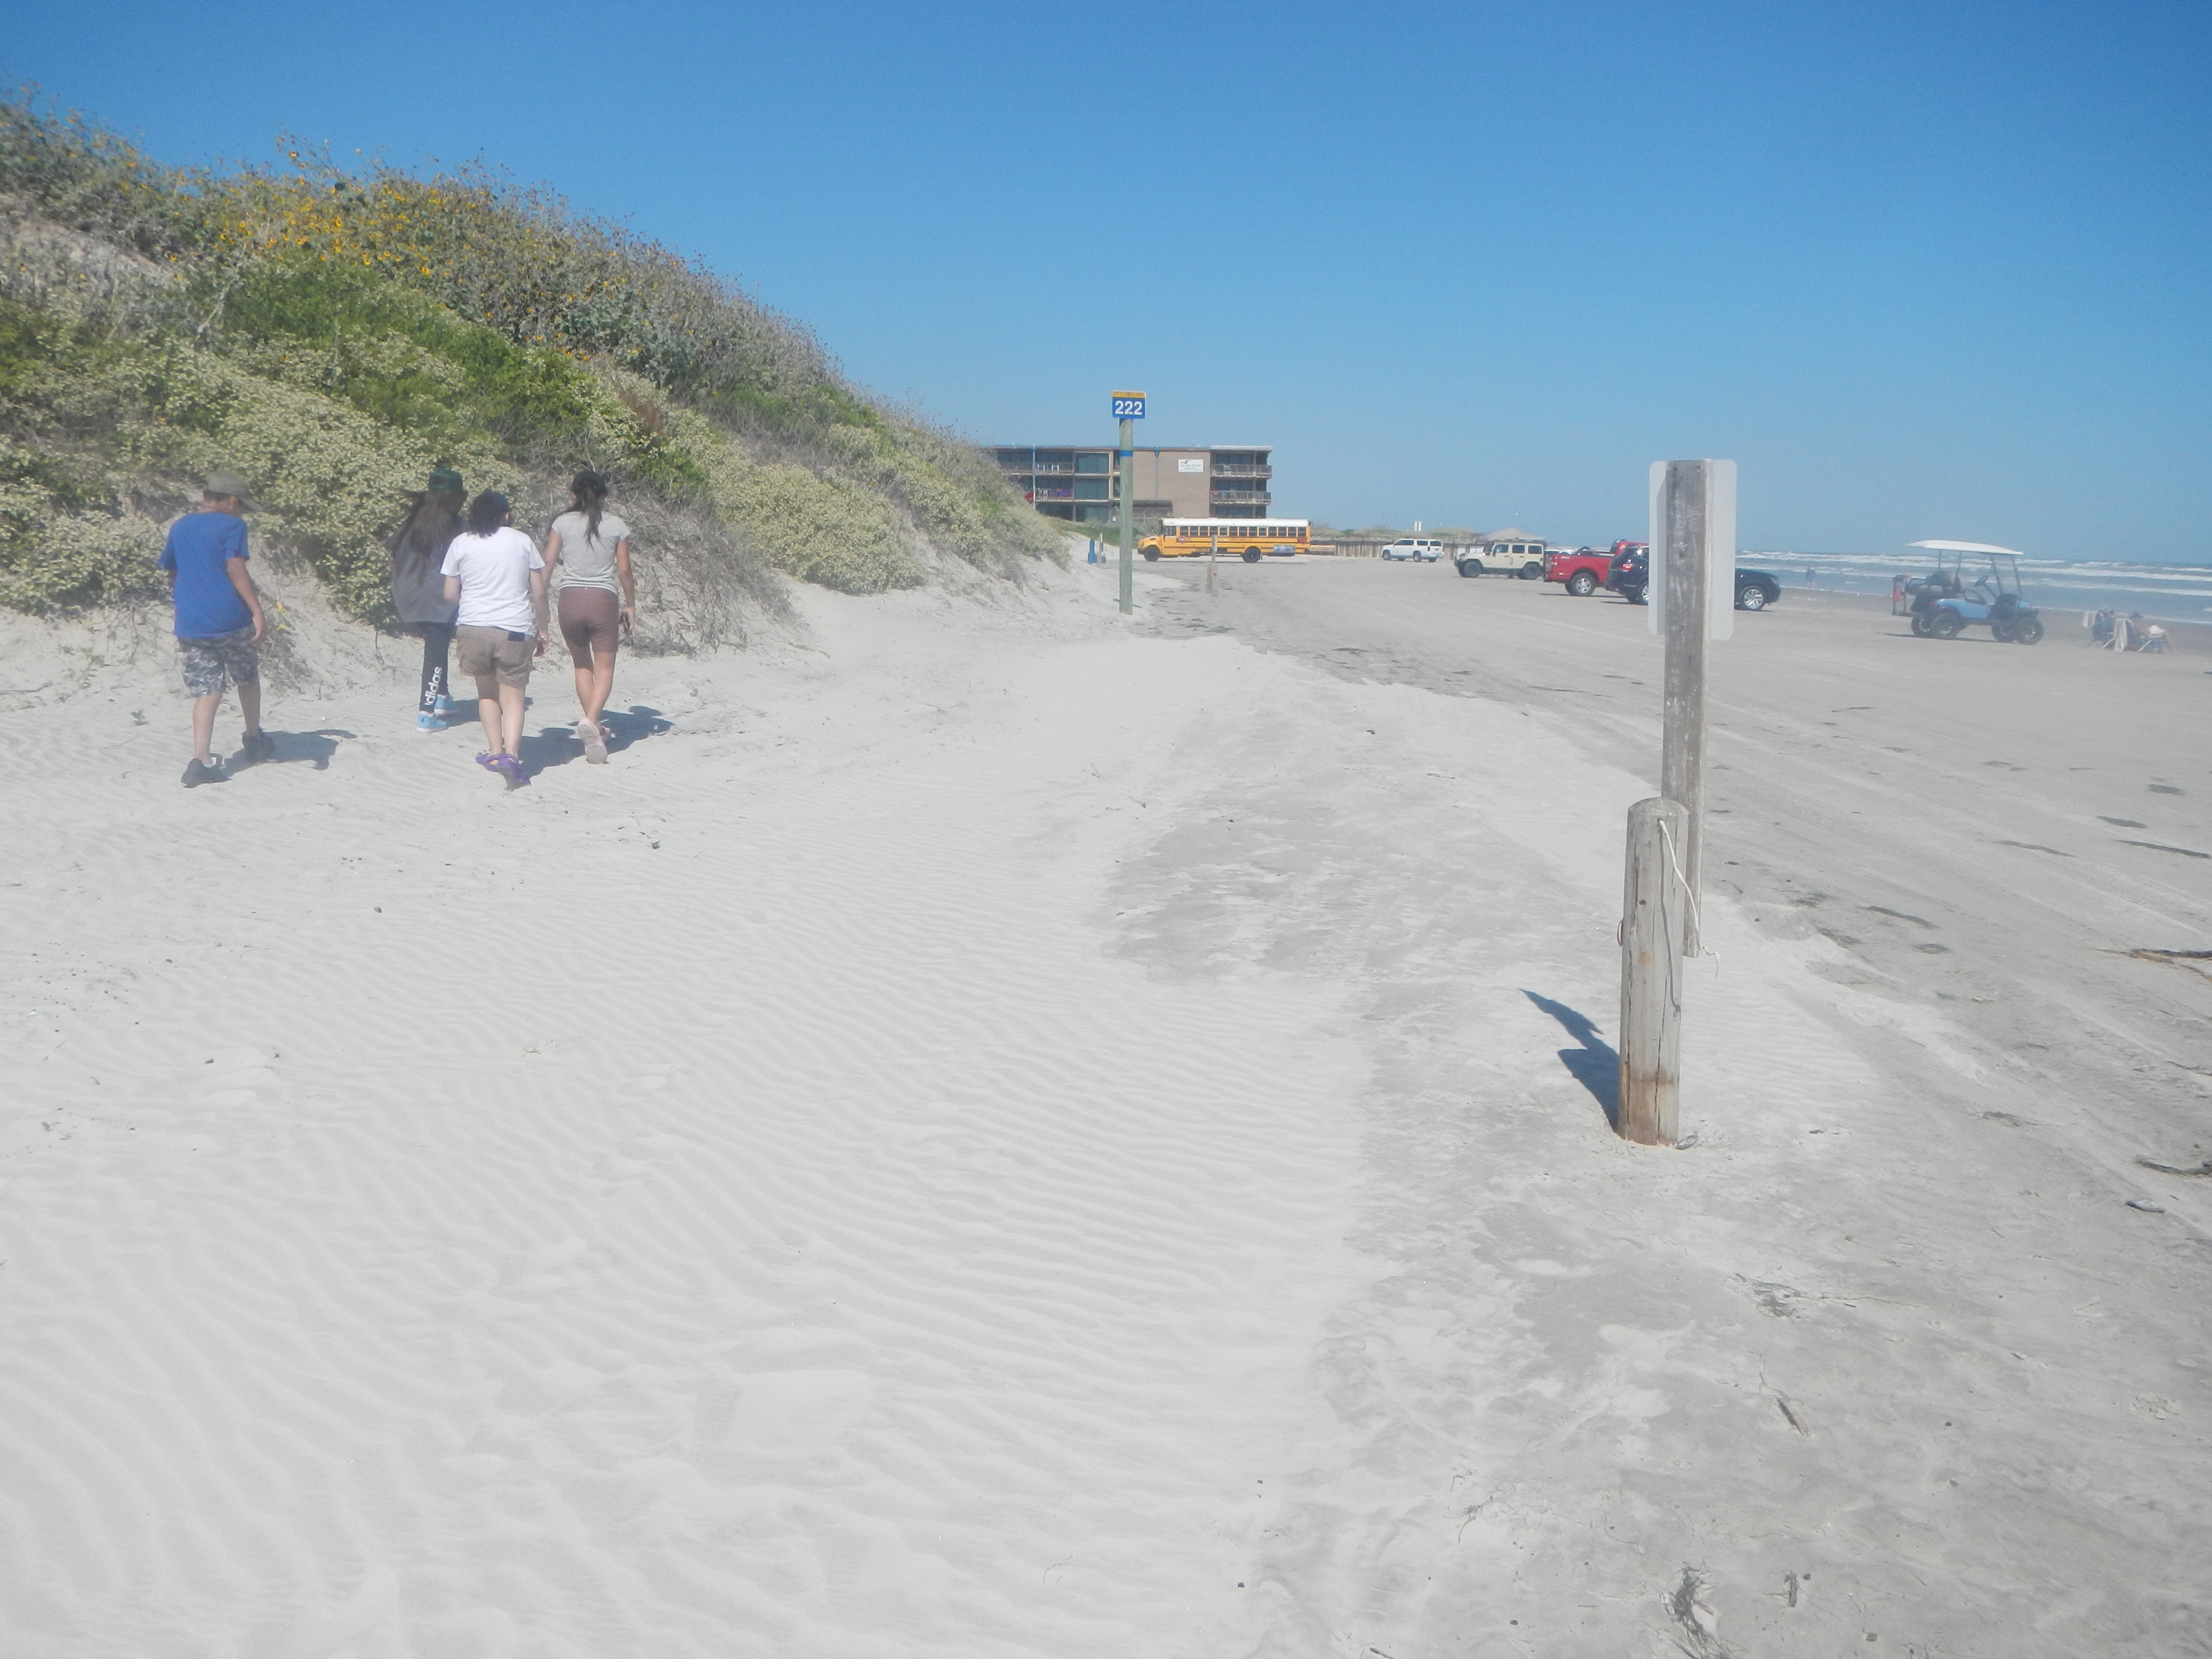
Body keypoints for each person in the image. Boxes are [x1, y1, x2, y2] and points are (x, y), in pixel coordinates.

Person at [159, 471, 273, 788]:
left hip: (191, 622)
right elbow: (235, 566)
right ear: (232, 501)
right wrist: (257, 611)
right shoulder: (233, 525)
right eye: (241, 506)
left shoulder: (180, 526)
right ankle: (253, 739)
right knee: (247, 677)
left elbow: (172, 570)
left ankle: (202, 760)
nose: (242, 513)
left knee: (208, 691)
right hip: (230, 619)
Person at [440, 492, 547, 789]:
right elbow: (539, 592)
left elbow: (449, 595)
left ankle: (494, 753)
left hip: (473, 626)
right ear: (507, 515)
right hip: (515, 628)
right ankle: (512, 755)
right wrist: (544, 629)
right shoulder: (522, 540)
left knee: (486, 693)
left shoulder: (461, 543)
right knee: (514, 697)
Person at [542, 470, 635, 764]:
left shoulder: (562, 523)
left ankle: (593, 728)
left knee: (583, 666)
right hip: (602, 600)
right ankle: (591, 720)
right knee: (605, 668)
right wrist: (630, 604)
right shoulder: (616, 525)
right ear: (605, 496)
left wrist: (537, 595)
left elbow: (547, 563)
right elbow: (624, 571)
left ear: (573, 495)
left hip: (570, 598)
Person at [388, 467, 466, 729]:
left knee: (437, 645)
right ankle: (426, 712)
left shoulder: (412, 522)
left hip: (407, 594)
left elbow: (393, 557)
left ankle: (442, 697)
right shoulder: (458, 527)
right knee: (435, 651)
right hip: (439, 598)